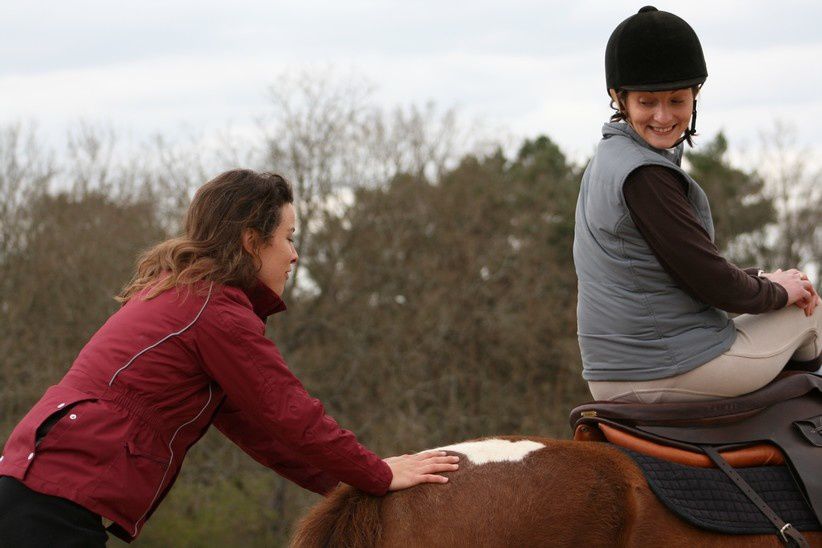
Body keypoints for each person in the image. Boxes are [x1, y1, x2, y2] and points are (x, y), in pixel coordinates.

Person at [0, 169, 459, 545]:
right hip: (54, 500)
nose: (295, 255)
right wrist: (377, 473)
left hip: (41, 489)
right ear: (250, 241)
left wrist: (351, 486)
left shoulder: (188, 297)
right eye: (289, 237)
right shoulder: (212, 310)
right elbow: (291, 413)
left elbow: (263, 431)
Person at [573, 6, 821, 404]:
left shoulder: (611, 159)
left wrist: (763, 280)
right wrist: (778, 293)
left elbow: (671, 272)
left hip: (624, 368)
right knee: (809, 311)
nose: (663, 115)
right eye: (647, 102)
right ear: (619, 99)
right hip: (664, 369)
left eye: (676, 100)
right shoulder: (646, 176)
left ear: (695, 96)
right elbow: (709, 281)